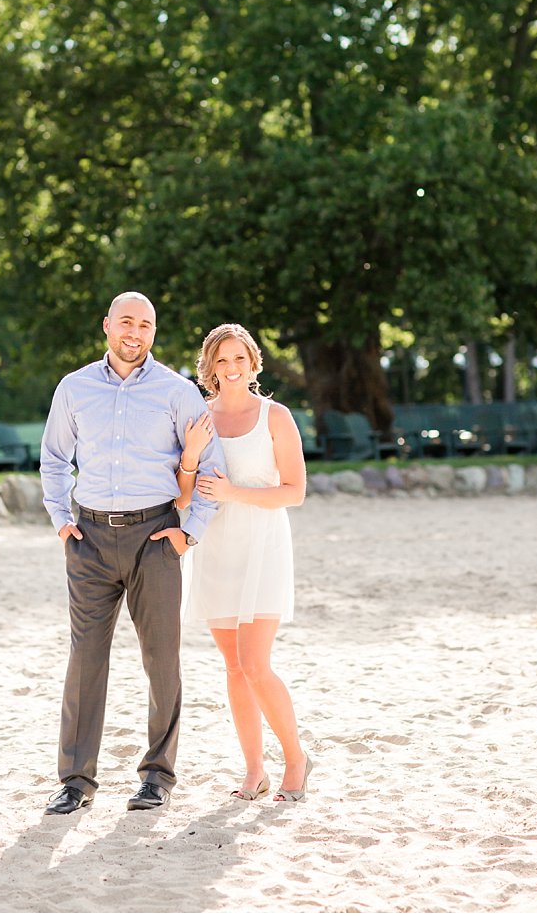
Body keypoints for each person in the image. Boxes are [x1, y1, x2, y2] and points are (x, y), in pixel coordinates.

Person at [40, 291, 226, 815]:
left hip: (156, 537)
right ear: (106, 326)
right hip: (90, 541)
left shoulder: (177, 391)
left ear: (153, 333)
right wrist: (61, 522)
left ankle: (157, 776)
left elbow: (211, 468)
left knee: (161, 659)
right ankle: (75, 781)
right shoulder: (74, 388)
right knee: (85, 660)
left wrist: (189, 533)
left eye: (145, 325)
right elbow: (54, 459)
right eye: (126, 321)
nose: (135, 332)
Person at [177, 323, 312, 802]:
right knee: (233, 668)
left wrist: (234, 492)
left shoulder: (275, 416)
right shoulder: (200, 418)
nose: (231, 368)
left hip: (263, 545)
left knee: (256, 663)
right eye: (221, 360)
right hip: (215, 548)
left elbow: (294, 492)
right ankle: (254, 771)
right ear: (209, 368)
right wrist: (190, 457)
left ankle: (295, 759)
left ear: (253, 362)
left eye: (239, 359)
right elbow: (182, 496)